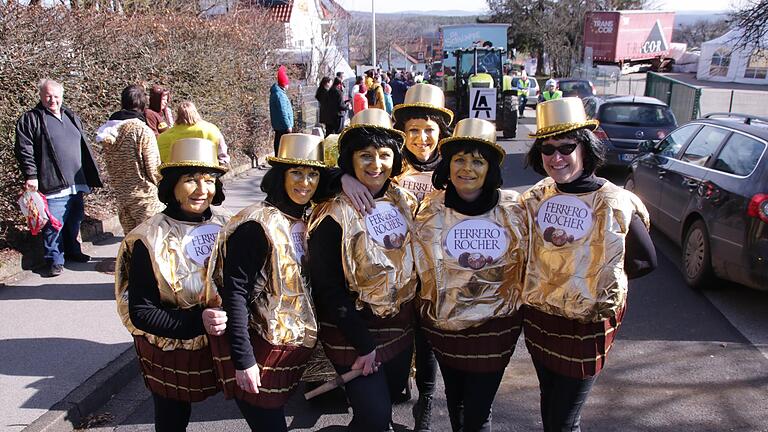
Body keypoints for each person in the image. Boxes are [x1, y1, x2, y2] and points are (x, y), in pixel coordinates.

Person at [521, 97, 657, 432]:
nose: (556, 157)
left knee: (564, 420)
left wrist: (594, 279)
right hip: (541, 320)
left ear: (585, 148)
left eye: (565, 148)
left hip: (584, 327)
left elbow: (644, 260)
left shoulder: (613, 200)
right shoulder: (539, 195)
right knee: (549, 405)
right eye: (547, 149)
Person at [206, 133, 329, 432]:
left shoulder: (304, 219)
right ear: (280, 176)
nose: (305, 182)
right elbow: (234, 295)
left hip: (287, 348)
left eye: (313, 174)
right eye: (296, 173)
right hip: (260, 351)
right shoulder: (256, 225)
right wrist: (244, 361)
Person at [307, 109, 418, 432]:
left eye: (384, 155)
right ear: (350, 160)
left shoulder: (404, 200)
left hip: (399, 327)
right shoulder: (332, 213)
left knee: (387, 404)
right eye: (365, 155)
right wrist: (364, 346)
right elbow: (328, 289)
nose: (375, 164)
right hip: (353, 332)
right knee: (374, 417)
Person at [412, 118, 526, 432]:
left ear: (491, 168)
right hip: (445, 331)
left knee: (478, 414)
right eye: (459, 159)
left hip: (493, 334)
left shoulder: (515, 209)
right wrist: (343, 179)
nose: (467, 168)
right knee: (456, 401)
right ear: (447, 165)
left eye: (478, 161)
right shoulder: (427, 209)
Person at [114, 137, 230, 431]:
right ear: (173, 186)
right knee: (172, 418)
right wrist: (197, 321)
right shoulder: (147, 238)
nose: (202, 190)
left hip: (226, 344)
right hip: (172, 354)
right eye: (190, 180)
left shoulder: (229, 226)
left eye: (209, 180)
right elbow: (141, 311)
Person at [391, 83, 453, 431]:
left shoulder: (453, 168)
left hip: (437, 276)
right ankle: (397, 387)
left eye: (428, 130)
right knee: (400, 340)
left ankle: (425, 412)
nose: (420, 138)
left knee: (428, 345)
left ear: (440, 133)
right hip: (396, 275)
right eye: (413, 131)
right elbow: (343, 164)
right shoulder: (390, 165)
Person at [14, 79, 103, 277]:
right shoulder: (31, 119)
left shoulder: (70, 115)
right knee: (53, 224)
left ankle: (72, 251)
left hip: (76, 183)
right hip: (52, 182)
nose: (52, 100)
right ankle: (55, 259)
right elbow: (24, 149)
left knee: (74, 220)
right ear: (40, 96)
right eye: (48, 96)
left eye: (56, 96)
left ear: (62, 96)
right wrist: (31, 175)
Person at [96, 84, 164, 234]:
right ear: (142, 104)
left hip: (122, 196)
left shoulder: (108, 132)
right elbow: (153, 167)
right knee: (153, 242)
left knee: (132, 243)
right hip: (144, 197)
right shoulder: (141, 130)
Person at [157, 101, 230, 168]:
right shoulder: (211, 129)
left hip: (177, 174)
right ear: (195, 112)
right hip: (207, 170)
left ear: (178, 115)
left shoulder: (164, 136)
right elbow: (222, 153)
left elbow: (160, 159)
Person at [270, 65, 294, 155]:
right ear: (284, 84)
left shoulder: (277, 93)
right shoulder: (280, 95)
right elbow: (283, 112)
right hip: (283, 126)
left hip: (279, 125)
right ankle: (281, 161)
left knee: (278, 142)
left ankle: (279, 158)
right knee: (282, 145)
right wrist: (288, 125)